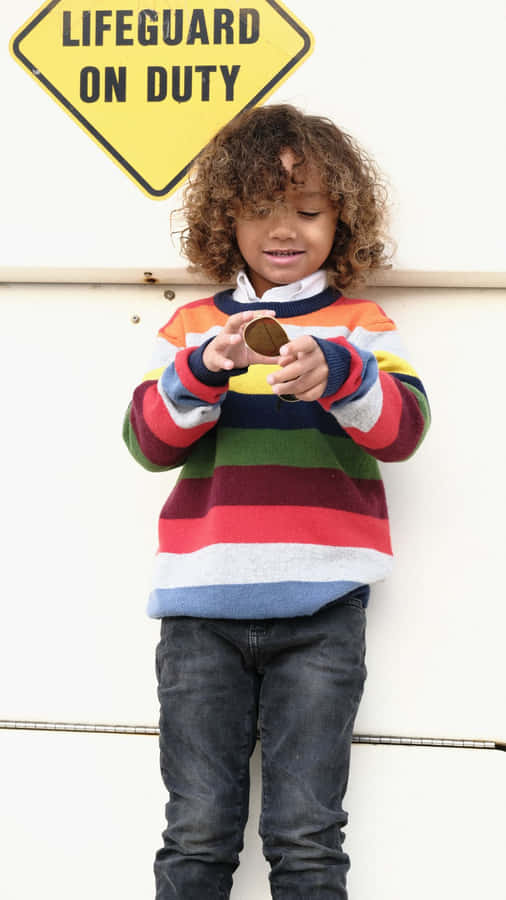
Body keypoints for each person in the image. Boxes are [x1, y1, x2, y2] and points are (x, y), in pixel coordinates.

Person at [123, 104, 430, 899]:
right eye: (260, 208)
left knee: (308, 838)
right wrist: (201, 373)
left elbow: (404, 431)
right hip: (200, 612)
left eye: (307, 210)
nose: (284, 228)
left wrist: (345, 377)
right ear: (226, 216)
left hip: (323, 611)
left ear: (342, 219)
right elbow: (147, 442)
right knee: (195, 834)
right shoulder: (191, 326)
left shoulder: (360, 325)